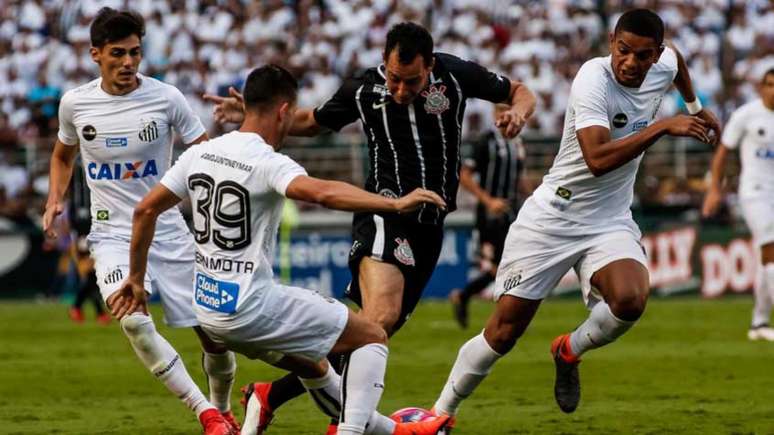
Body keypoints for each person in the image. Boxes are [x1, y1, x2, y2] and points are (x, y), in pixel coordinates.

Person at [204, 22, 535, 431]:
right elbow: (311, 122)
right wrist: (254, 116)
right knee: (378, 319)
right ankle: (350, 424)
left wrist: (520, 111)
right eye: (394, 78)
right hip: (384, 213)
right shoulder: (363, 90)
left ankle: (272, 395)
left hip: (430, 226)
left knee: (374, 329)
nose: (399, 89)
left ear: (430, 66)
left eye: (411, 81)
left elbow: (519, 90)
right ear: (384, 63)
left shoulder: (455, 75)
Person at [111, 64, 452, 435]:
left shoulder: (201, 153)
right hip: (250, 307)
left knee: (314, 366)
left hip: (208, 311)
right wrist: (395, 204)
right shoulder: (267, 161)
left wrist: (135, 278)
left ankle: (389, 430)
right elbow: (324, 193)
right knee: (371, 334)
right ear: (285, 111)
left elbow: (144, 210)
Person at [429, 8, 721, 425]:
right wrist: (664, 126)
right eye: (623, 51)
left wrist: (694, 105)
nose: (630, 63)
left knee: (630, 299)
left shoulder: (665, 62)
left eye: (642, 55)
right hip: (553, 217)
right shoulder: (592, 78)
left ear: (655, 55)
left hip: (608, 219)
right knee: (504, 333)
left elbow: (677, 60)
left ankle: (568, 351)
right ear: (610, 44)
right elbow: (598, 159)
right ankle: (441, 414)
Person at [42, 8, 237, 434]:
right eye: (118, 53)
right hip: (112, 233)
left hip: (169, 232)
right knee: (132, 318)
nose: (128, 62)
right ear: (96, 54)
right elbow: (62, 155)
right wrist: (55, 197)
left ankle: (222, 408)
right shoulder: (75, 103)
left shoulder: (167, 98)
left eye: (135, 53)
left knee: (215, 335)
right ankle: (206, 414)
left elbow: (203, 154)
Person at [702, 68, 774, 341]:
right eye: (769, 84)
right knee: (769, 246)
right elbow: (723, 153)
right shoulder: (746, 115)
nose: (773, 90)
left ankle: (759, 323)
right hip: (755, 192)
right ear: (761, 88)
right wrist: (713, 190)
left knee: (767, 257)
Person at [449, 103, 528, 328]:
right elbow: (464, 176)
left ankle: (465, 297)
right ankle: (504, 312)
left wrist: (533, 197)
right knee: (498, 266)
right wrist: (488, 201)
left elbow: (519, 177)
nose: (506, 115)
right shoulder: (485, 141)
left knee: (512, 262)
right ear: (494, 114)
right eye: (501, 111)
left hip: (513, 211)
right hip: (490, 214)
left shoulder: (517, 142)